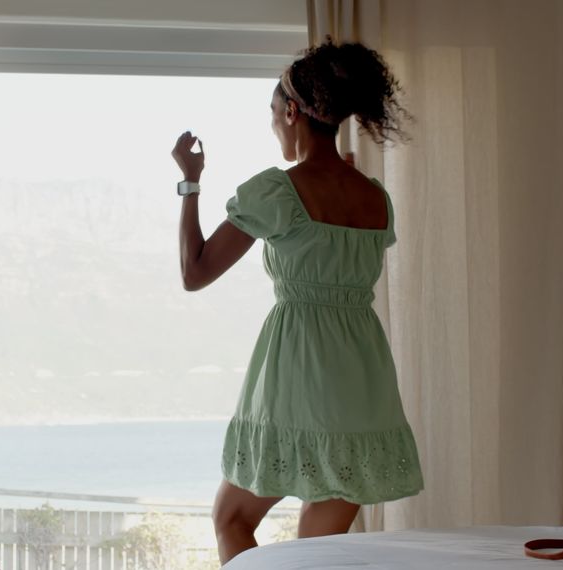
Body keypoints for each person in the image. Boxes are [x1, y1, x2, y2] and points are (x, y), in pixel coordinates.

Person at [171, 41, 424, 564]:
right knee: (319, 554)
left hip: (299, 375)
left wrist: (190, 182)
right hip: (362, 384)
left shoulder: (277, 192)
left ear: (292, 112)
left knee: (231, 519)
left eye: (272, 115)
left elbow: (195, 272)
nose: (273, 127)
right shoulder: (374, 197)